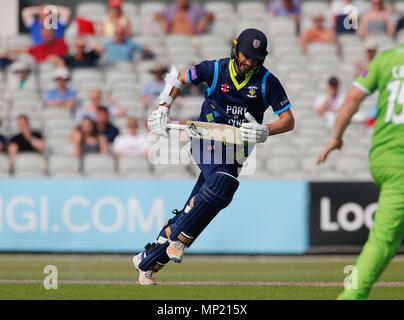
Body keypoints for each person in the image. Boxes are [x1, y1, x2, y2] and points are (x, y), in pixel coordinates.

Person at [133, 28, 294, 285]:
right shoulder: (216, 69)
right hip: (205, 135)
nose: (249, 63)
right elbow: (181, 76)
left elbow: (288, 120)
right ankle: (180, 240)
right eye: (246, 56)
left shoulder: (267, 81)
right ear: (235, 49)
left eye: (255, 59)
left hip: (236, 150)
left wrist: (266, 130)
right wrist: (163, 106)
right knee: (224, 183)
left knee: (201, 202)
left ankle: (147, 260)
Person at [317, 43, 404, 300]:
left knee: (387, 238)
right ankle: (351, 296)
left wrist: (336, 136)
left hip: (382, 157)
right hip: (401, 161)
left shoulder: (387, 59)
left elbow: (353, 97)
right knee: (384, 240)